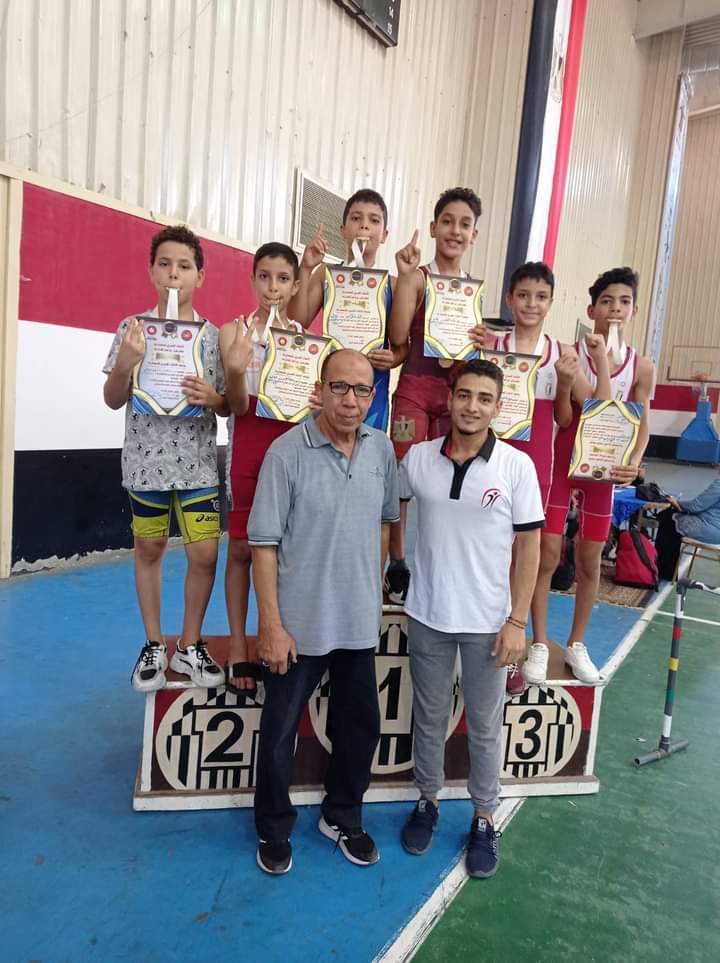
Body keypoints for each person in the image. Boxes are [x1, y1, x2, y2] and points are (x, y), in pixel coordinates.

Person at [247, 349, 400, 875]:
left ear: (373, 396)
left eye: (362, 390)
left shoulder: (381, 449)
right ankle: (272, 828)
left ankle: (342, 816)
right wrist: (271, 624)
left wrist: (372, 588)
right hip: (298, 625)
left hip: (358, 622)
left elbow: (385, 522)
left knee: (360, 728)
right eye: (339, 387)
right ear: (320, 388)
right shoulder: (286, 453)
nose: (350, 400)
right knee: (279, 734)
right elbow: (263, 545)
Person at [398, 359, 543, 878]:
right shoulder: (419, 458)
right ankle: (427, 800)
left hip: (489, 623)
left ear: (497, 407)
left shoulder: (516, 467)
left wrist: (517, 621)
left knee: (484, 725)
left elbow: (530, 548)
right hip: (428, 614)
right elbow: (393, 508)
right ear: (450, 399)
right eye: (464, 395)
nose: (472, 406)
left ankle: (484, 816)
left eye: (484, 398)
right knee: (429, 717)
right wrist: (396, 559)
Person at [469, 261, 610, 695]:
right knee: (486, 551)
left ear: (551, 302)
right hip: (488, 463)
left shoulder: (561, 354)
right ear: (510, 299)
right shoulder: (491, 345)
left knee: (531, 555)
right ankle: (476, 638)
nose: (532, 304)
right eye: (524, 295)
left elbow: (587, 411)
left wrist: (573, 379)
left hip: (536, 470)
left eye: (541, 297)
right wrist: (467, 344)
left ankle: (518, 643)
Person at [102, 225, 229, 692]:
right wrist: (125, 362)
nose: (174, 274)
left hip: (198, 465)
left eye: (184, 266)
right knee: (149, 550)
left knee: (205, 553)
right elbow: (112, 399)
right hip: (145, 465)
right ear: (151, 271)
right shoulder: (131, 330)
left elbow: (229, 404)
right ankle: (154, 644)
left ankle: (190, 645)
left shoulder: (212, 338)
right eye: (165, 264)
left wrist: (214, 397)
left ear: (200, 276)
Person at [526, 267, 655, 685]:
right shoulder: (569, 352)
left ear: (634, 310)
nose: (614, 309)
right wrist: (583, 372)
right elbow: (569, 416)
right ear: (591, 309)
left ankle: (577, 643)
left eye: (623, 302)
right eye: (606, 301)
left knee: (589, 559)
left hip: (604, 472)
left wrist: (634, 461)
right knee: (547, 554)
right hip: (563, 463)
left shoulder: (641, 366)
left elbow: (642, 422)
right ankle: (539, 641)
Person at [385, 186, 483, 602]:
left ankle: (442, 561)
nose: (455, 231)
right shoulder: (419, 277)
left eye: (464, 224)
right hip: (414, 389)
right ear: (433, 228)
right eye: (447, 222)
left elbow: (475, 357)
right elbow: (397, 335)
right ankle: (397, 562)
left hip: (454, 397)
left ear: (474, 234)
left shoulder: (472, 291)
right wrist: (407, 278)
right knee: (402, 477)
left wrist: (482, 341)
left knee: (451, 478)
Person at [219, 242, 306, 693]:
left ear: (295, 286)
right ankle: (238, 643)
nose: (273, 287)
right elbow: (233, 406)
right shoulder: (232, 332)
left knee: (286, 551)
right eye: (265, 277)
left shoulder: (306, 342)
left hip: (291, 454)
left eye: (283, 279)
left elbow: (309, 411)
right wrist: (235, 372)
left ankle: (277, 635)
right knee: (241, 549)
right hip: (248, 448)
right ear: (253, 279)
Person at [288, 188, 403, 431]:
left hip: (372, 389)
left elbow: (402, 346)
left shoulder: (393, 284)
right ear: (342, 230)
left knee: (367, 449)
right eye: (356, 218)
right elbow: (297, 321)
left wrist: (393, 358)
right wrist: (306, 268)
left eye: (374, 220)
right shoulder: (326, 274)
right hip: (331, 385)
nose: (364, 225)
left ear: (384, 235)